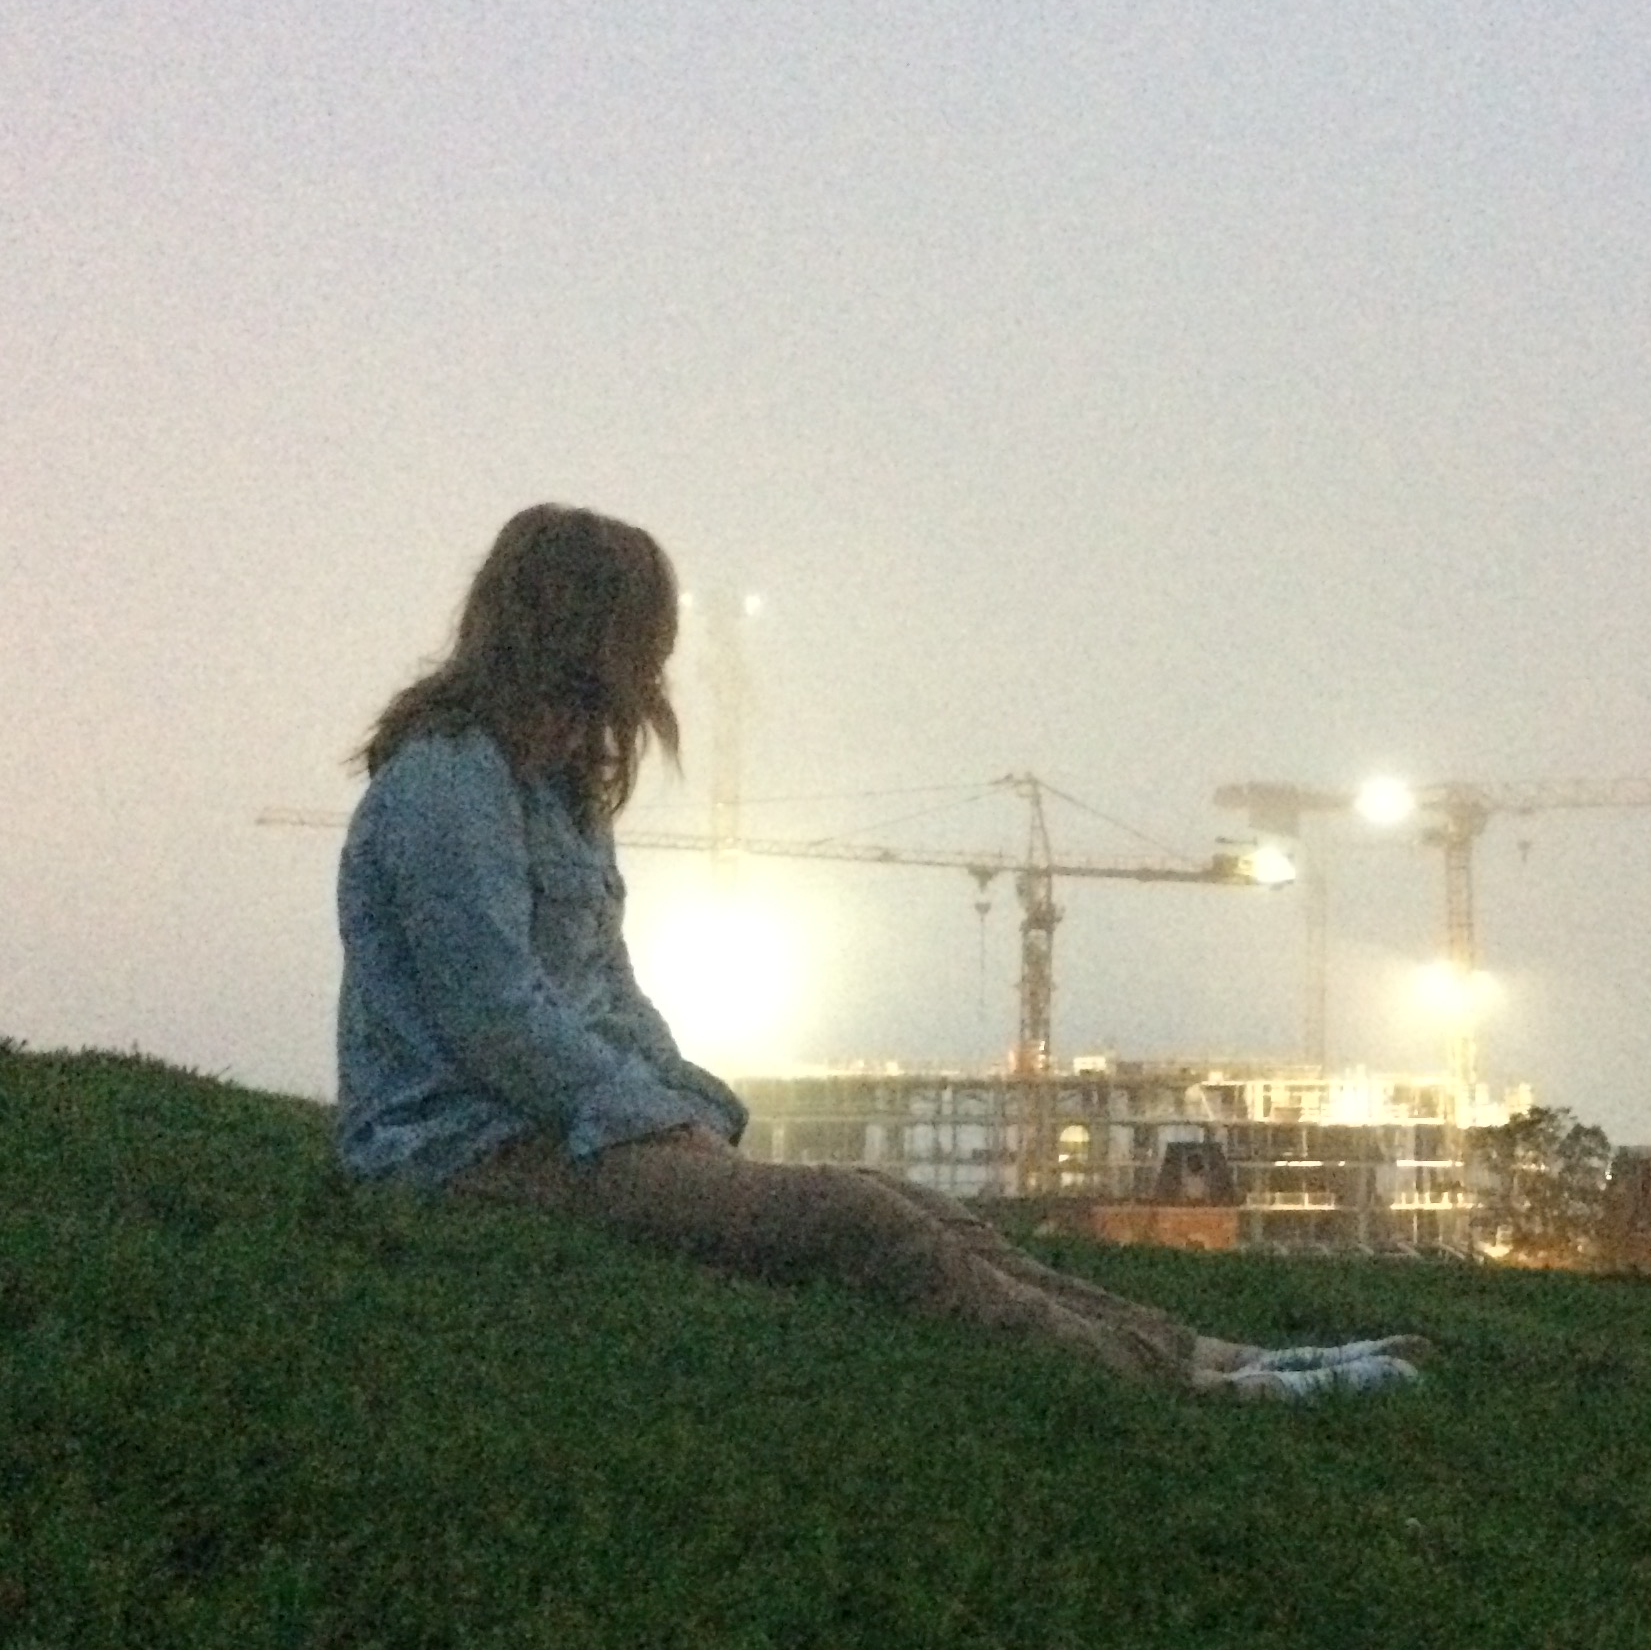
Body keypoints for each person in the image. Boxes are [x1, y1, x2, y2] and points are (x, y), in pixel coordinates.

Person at [335, 504, 1422, 1399]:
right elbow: (494, 1015)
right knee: (852, 1221)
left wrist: (683, 1099)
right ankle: (1184, 1390)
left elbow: (606, 990)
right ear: (583, 643)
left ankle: (1203, 1355)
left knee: (907, 1201)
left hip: (571, 1127)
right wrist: (649, 1117)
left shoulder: (557, 797)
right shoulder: (448, 781)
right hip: (466, 1153)